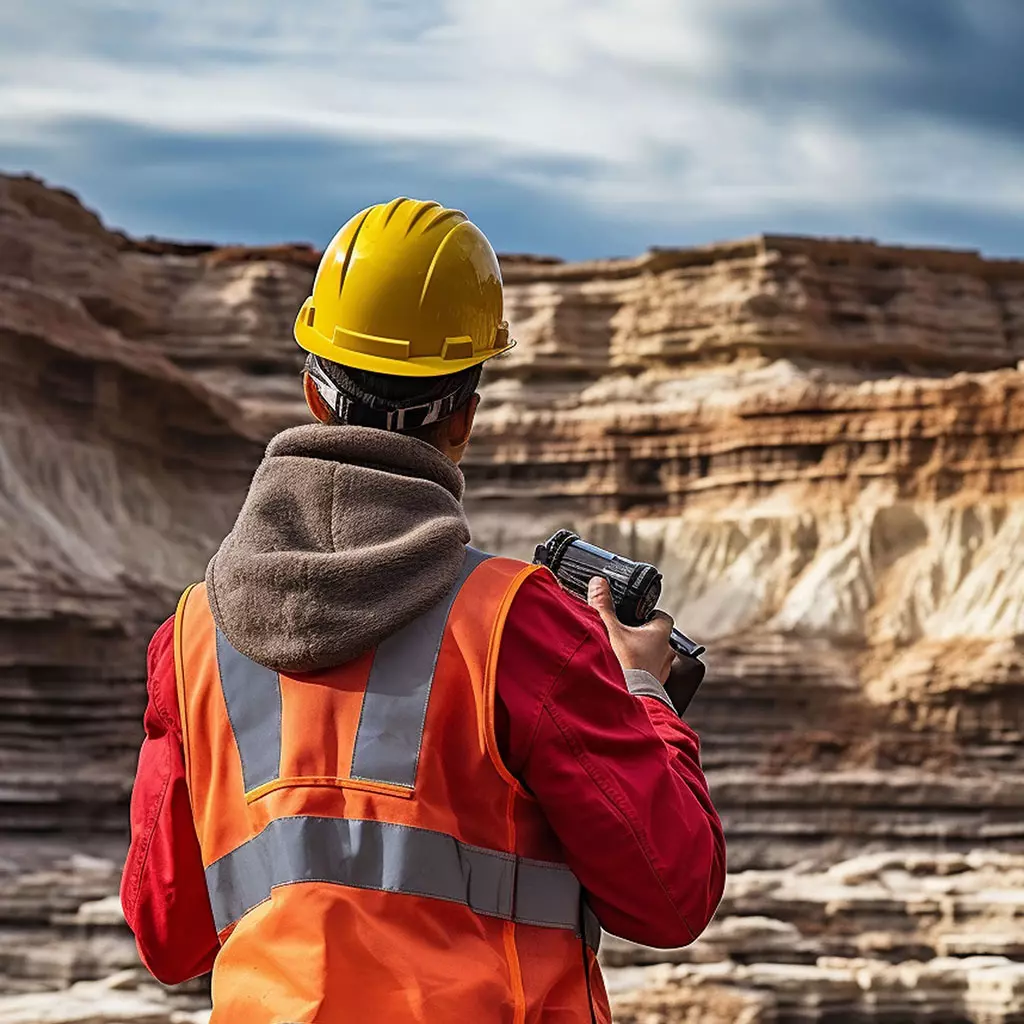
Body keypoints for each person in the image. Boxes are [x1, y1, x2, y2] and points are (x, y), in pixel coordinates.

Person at [120, 198, 726, 1024]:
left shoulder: (190, 643)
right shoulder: (521, 626)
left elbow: (167, 936)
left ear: (312, 392)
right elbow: (673, 893)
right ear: (464, 417)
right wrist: (645, 696)